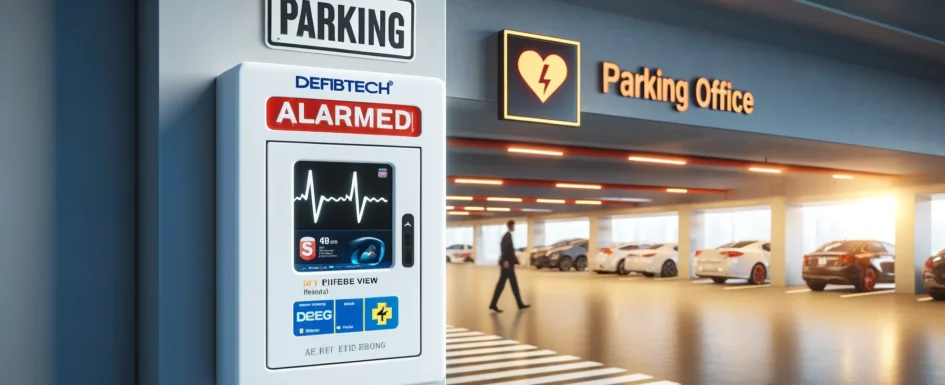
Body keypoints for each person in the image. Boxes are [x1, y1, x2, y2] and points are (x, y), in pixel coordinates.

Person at [489, 220, 530, 312]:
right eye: (513, 226)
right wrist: (506, 261)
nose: (514, 228)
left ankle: (518, 303)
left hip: (508, 264)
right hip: (507, 265)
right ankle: (494, 303)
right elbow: (506, 250)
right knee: (504, 285)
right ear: (510, 226)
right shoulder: (507, 236)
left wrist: (514, 260)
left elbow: (508, 250)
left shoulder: (507, 236)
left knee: (509, 285)